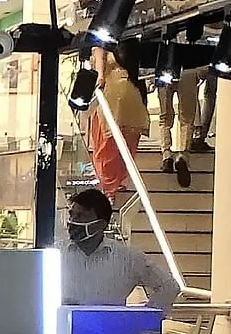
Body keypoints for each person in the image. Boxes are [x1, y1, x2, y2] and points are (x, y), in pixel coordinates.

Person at [59, 188, 179, 311]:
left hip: (109, 329)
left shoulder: (128, 258)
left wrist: (143, 320)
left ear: (101, 224)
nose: (72, 222)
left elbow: (169, 286)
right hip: (62, 328)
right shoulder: (55, 255)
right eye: (71, 215)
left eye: (80, 216)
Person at [83, 43, 150, 205]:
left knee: (106, 145)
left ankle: (108, 189)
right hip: (133, 93)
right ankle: (118, 182)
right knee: (127, 144)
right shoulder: (133, 44)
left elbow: (99, 76)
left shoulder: (100, 44)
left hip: (111, 94)